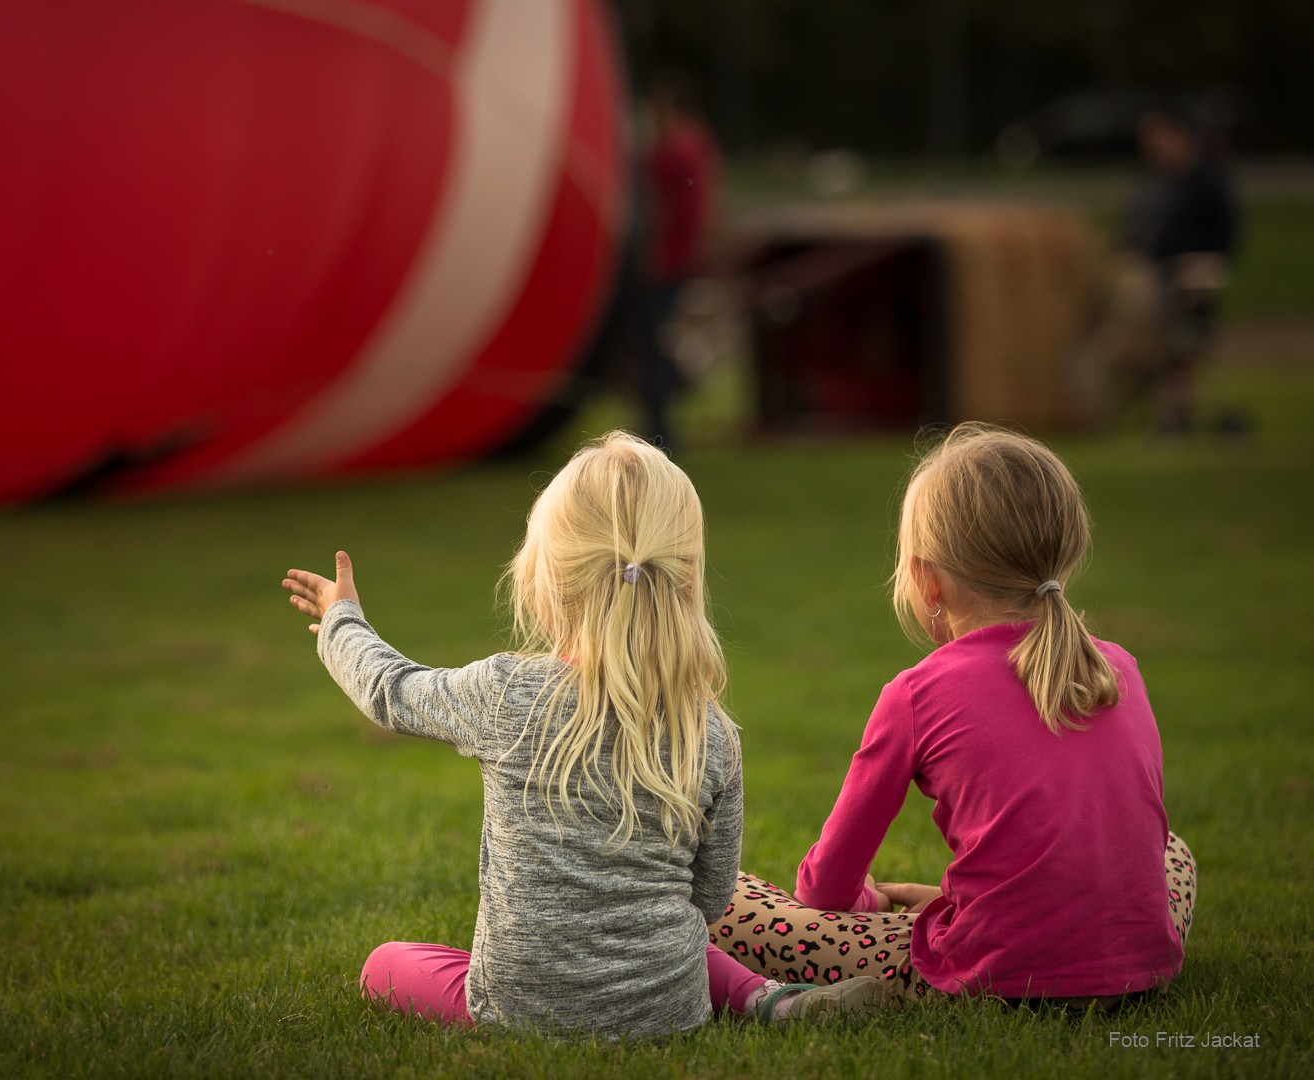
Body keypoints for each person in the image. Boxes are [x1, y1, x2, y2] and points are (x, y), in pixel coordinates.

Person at [280, 433, 886, 1035]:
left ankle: (759, 997)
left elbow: (390, 690)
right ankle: (769, 1000)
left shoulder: (504, 694)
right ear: (686, 580)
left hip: (517, 1008)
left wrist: (341, 620)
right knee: (682, 936)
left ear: (546, 579)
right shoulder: (711, 733)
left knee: (384, 963)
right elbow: (709, 898)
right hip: (667, 1011)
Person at [715, 424, 1196, 1006]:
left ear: (927, 579)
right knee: (1171, 851)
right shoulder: (1117, 666)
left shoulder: (917, 693)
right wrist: (949, 895)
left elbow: (822, 889)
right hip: (1138, 970)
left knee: (724, 898)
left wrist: (875, 904)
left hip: (991, 977)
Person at [1122, 105, 1239, 432]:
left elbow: (1226, 234)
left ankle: (1177, 413)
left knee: (1180, 340)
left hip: (1185, 280)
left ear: (1178, 135)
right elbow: (1136, 232)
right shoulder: (1154, 182)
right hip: (1150, 276)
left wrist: (1206, 263)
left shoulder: (1205, 182)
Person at [636, 78, 720, 450]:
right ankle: (662, 420)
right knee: (656, 343)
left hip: (666, 263)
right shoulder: (699, 145)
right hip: (681, 260)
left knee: (651, 346)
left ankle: (661, 425)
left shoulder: (674, 151)